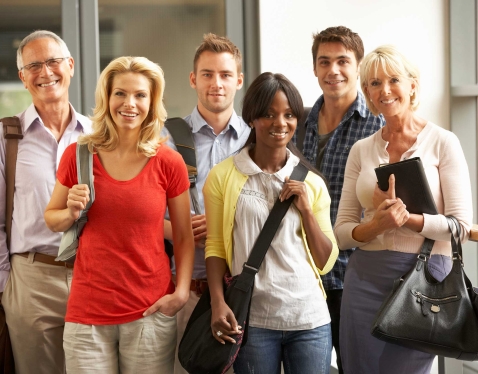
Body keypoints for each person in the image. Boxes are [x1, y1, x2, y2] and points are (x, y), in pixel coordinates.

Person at [44, 56, 194, 373]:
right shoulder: (78, 154)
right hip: (87, 315)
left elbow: (182, 235)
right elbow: (51, 218)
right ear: (107, 98)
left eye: (140, 95)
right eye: (120, 94)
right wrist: (71, 210)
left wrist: (180, 293)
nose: (129, 103)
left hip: (150, 312)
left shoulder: (169, 162)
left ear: (152, 102)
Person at [334, 45, 473, 374]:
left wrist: (408, 220)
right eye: (374, 83)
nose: (384, 90)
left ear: (412, 85)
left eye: (393, 79)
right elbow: (341, 233)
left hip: (424, 280)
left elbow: (461, 228)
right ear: (367, 93)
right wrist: (377, 226)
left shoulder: (443, 142)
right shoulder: (361, 150)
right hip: (364, 277)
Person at [204, 72, 339, 374]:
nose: (280, 123)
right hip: (252, 320)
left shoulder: (312, 182)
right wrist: (217, 302)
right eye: (269, 114)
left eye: (289, 115)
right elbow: (214, 247)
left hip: (309, 320)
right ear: (251, 117)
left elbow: (325, 261)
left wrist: (305, 210)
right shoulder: (223, 176)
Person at [0, 30, 91, 374]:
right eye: (33, 65)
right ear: (23, 78)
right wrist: (7, 285)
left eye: (53, 61)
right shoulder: (7, 137)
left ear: (70, 66)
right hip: (31, 280)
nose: (45, 72)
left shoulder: (98, 136)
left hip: (92, 276)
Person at [295, 25, 385, 373]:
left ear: (358, 66)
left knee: (358, 367)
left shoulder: (377, 125)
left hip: (354, 279)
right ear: (315, 68)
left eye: (343, 61)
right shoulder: (297, 122)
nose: (333, 70)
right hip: (302, 275)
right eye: (324, 62)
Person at [162, 33, 250, 374]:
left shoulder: (255, 141)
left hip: (245, 294)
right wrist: (181, 231)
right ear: (193, 79)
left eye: (226, 75)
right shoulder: (165, 140)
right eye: (208, 74)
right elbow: (145, 216)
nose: (217, 83)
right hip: (186, 291)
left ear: (239, 81)